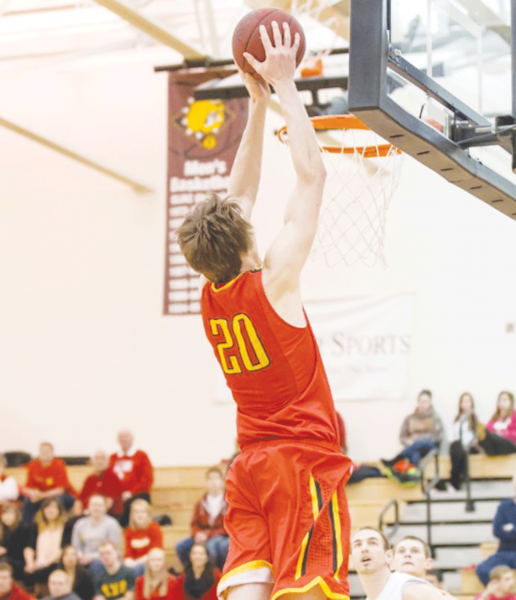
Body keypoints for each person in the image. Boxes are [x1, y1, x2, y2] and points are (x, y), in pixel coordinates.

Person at [177, 20, 353, 600]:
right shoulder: (273, 280)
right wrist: (285, 85)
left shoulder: (210, 295)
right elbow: (313, 174)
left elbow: (239, 195)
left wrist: (256, 107)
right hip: (299, 462)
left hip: (247, 467)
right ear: (248, 242)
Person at [350, 527, 444, 599]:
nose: (364, 548)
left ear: (389, 556)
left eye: (372, 543)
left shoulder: (410, 589)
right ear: (351, 561)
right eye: (357, 545)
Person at [381, 391, 443, 486]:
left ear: (430, 402)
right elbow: (402, 437)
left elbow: (436, 436)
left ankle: (396, 459)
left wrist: (418, 438)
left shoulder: (435, 418)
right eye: (420, 401)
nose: (422, 404)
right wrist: (408, 441)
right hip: (413, 447)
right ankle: (413, 479)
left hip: (429, 447)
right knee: (415, 454)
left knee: (418, 443)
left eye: (425, 402)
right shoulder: (409, 418)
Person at [175, 468, 228, 570]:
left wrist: (209, 535)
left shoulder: (228, 502)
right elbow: (194, 524)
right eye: (210, 479)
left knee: (210, 546)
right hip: (202, 535)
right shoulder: (200, 503)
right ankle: (191, 572)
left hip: (221, 536)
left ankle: (212, 575)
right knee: (181, 545)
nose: (213, 482)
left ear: (222, 481)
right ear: (206, 482)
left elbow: (229, 526)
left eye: (216, 478)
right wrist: (197, 534)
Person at [476, 472, 516, 585]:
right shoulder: (504, 506)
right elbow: (497, 531)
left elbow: (503, 531)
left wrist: (511, 528)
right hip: (504, 551)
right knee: (483, 569)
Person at [71, 495, 122, 579]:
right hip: (82, 558)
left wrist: (92, 557)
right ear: (88, 507)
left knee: (95, 566)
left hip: (103, 559)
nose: (96, 508)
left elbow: (115, 549)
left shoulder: (112, 524)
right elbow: (75, 546)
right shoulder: (80, 524)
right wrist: (80, 556)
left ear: (105, 508)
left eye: (99, 505)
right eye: (93, 505)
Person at [22, 443, 76, 524]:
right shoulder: (32, 465)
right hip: (42, 497)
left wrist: (41, 496)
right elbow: (27, 488)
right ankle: (27, 528)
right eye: (42, 452)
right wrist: (33, 494)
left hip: (61, 496)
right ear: (39, 453)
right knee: (28, 500)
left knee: (56, 501)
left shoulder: (59, 464)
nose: (45, 454)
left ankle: (58, 528)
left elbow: (60, 490)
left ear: (52, 453)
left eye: (47, 452)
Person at [109, 431, 153, 528]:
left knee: (128, 503)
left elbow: (147, 480)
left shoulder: (141, 456)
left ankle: (124, 528)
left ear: (132, 439)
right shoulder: (113, 457)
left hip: (136, 494)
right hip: (117, 496)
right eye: (121, 436)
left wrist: (130, 492)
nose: (123, 439)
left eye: (126, 436)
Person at [390, 536, 456, 598]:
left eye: (415, 551)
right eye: (401, 551)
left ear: (428, 563)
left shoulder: (443, 597)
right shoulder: (382, 594)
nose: (407, 554)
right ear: (391, 563)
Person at [23, 498, 66, 586]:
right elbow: (29, 547)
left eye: (54, 508)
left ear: (59, 511)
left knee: (44, 572)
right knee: (26, 573)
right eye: (48, 508)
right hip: (37, 562)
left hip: (55, 562)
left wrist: (45, 563)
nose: (51, 510)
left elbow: (62, 549)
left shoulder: (65, 527)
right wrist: (30, 563)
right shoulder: (36, 527)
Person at [74, 452, 123, 519]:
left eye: (103, 459)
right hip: (87, 515)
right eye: (97, 459)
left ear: (108, 462)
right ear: (92, 462)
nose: (100, 462)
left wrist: (89, 514)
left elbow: (108, 504)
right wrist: (78, 517)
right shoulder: (90, 478)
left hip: (107, 516)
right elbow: (79, 501)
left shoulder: (112, 477)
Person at [449, 393, 481, 491]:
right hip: (457, 446)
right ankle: (457, 480)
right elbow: (452, 435)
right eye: (463, 401)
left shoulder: (474, 418)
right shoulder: (457, 418)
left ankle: (455, 482)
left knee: (461, 451)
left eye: (468, 401)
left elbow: (476, 436)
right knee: (457, 447)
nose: (465, 404)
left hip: (469, 446)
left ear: (472, 404)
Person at [123, 500, 163, 577]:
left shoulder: (154, 528)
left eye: (142, 512)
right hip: (133, 566)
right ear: (132, 515)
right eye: (136, 512)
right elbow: (127, 557)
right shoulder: (128, 532)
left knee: (136, 571)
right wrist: (131, 564)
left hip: (150, 564)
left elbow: (154, 554)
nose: (139, 515)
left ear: (147, 514)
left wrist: (136, 563)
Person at [0, 502, 28, 580]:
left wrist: (5, 551)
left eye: (10, 514)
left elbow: (17, 551)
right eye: (5, 514)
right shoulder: (3, 529)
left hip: (18, 562)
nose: (7, 517)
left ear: (17, 515)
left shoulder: (22, 529)